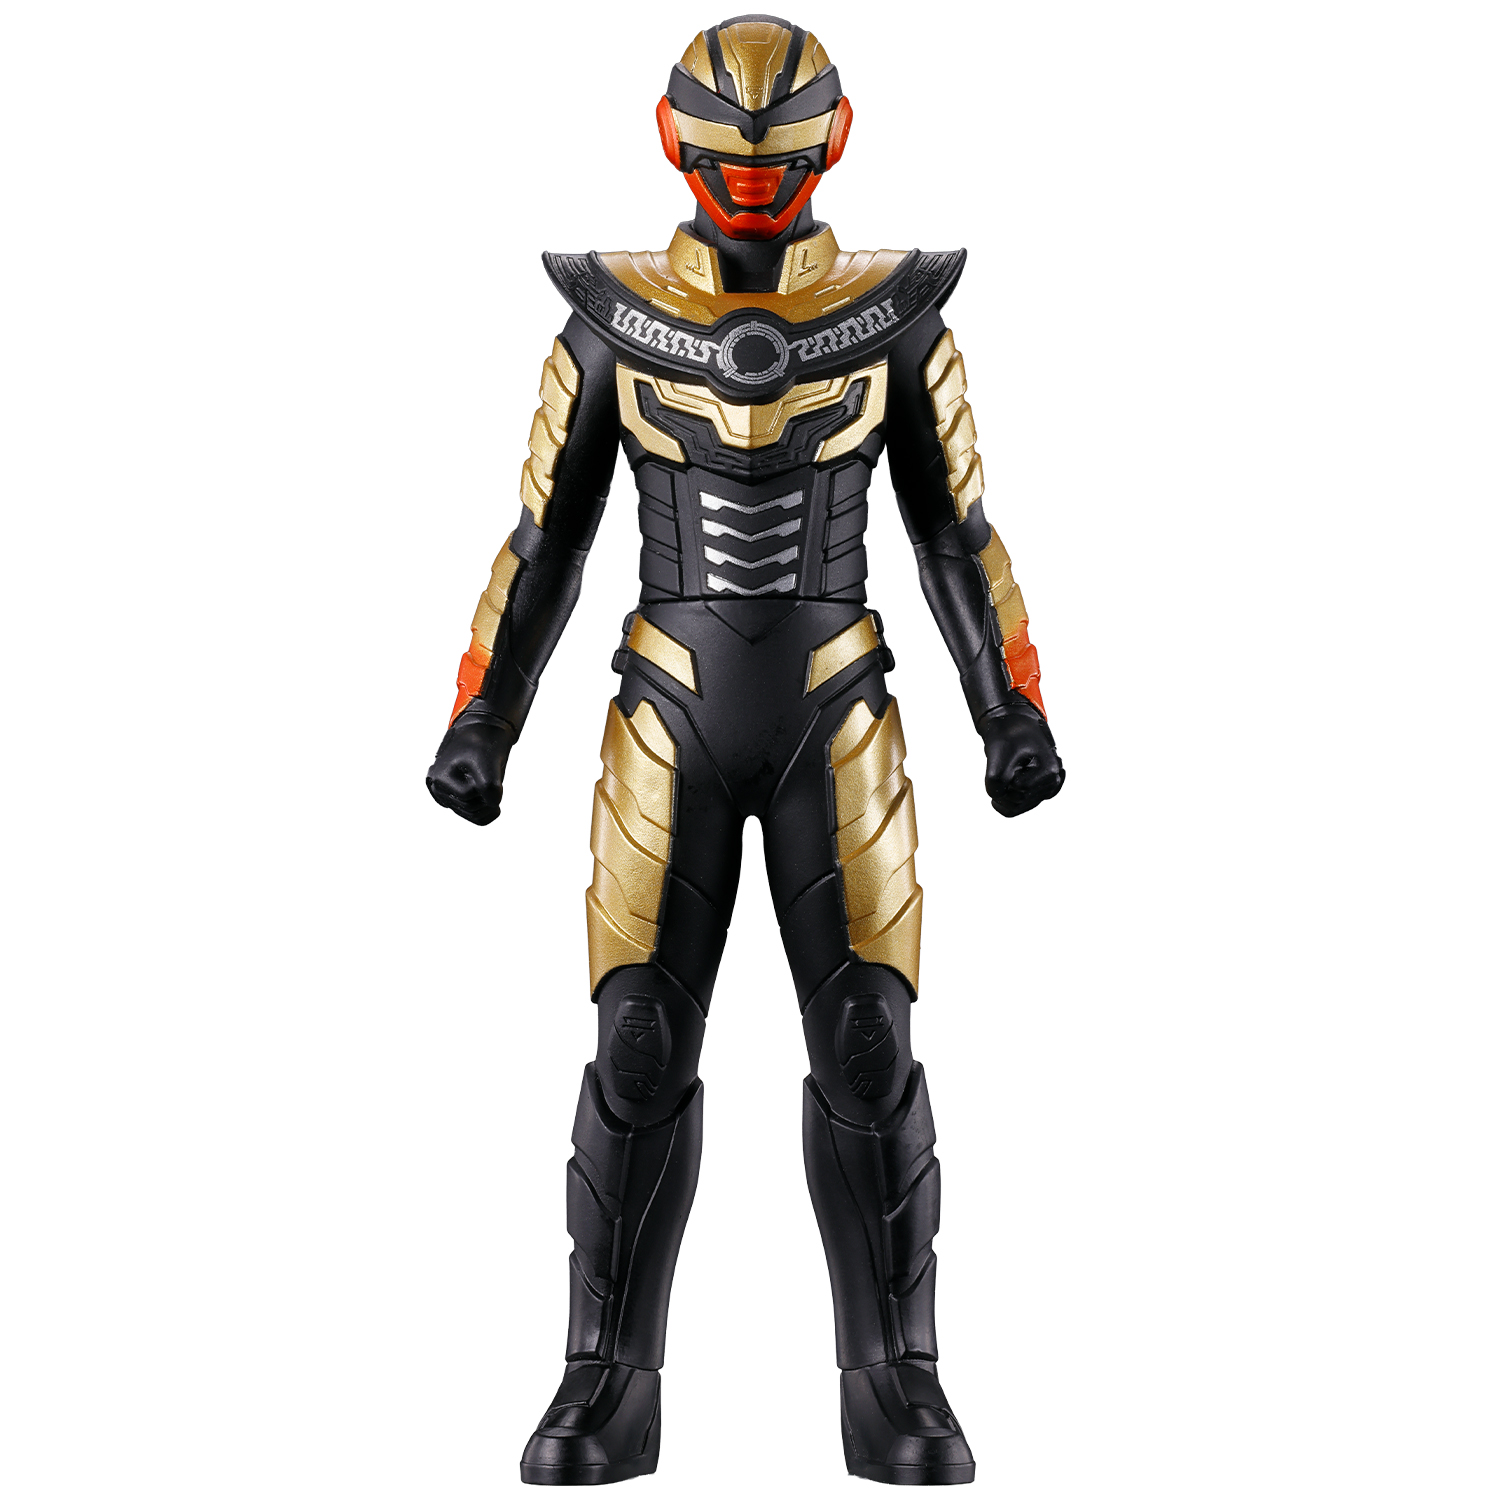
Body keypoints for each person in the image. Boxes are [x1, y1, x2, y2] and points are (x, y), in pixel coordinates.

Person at [427, 16, 1065, 1485]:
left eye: (777, 157)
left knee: (868, 1048)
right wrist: (481, 719)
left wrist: (1012, 712)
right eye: (729, 156)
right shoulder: (612, 320)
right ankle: (606, 1376)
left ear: (830, 143)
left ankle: (895, 1378)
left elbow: (957, 536)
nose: (754, 181)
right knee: (637, 1049)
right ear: (677, 144)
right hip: (670, 717)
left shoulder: (895, 318)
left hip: (837, 719)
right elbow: (544, 541)